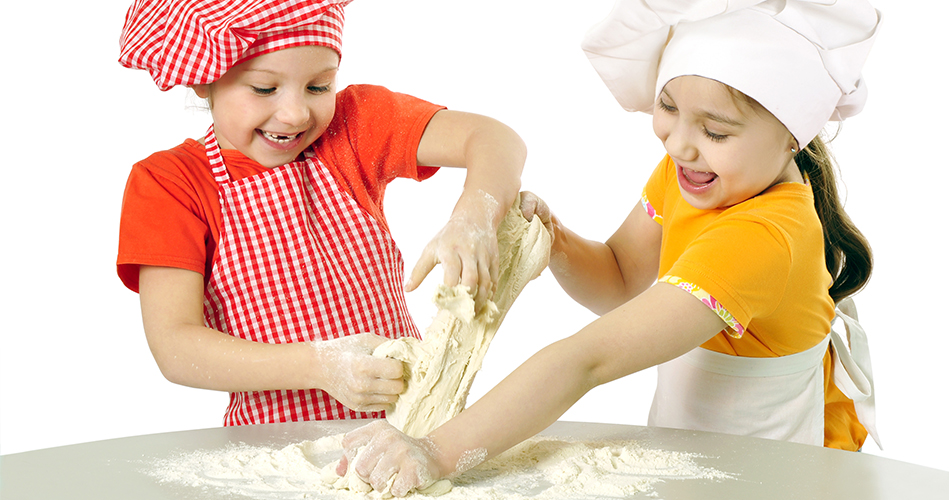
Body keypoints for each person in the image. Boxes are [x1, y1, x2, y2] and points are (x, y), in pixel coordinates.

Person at [337, 0, 883, 495]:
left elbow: (588, 361)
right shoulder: (696, 174)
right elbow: (620, 279)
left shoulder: (761, 239)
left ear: (794, 134)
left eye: (716, 131)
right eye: (667, 108)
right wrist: (554, 241)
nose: (678, 143)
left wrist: (436, 451)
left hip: (780, 475)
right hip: (705, 457)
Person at [115, 0, 526, 426]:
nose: (296, 113)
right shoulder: (170, 183)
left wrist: (475, 213)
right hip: (270, 448)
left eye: (318, 86)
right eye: (263, 88)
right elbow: (176, 349)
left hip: (410, 432)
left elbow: (494, 138)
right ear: (204, 81)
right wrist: (321, 365)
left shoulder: (351, 127)